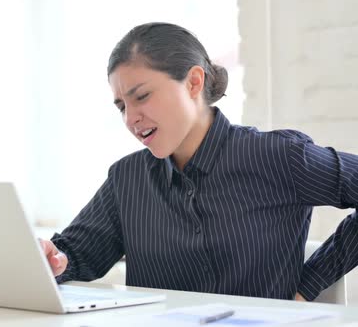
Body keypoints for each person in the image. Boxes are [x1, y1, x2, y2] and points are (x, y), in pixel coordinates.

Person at [39, 22, 358, 301]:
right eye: (121, 106)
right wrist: (54, 258)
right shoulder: (127, 177)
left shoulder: (277, 157)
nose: (131, 118)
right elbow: (76, 255)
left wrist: (311, 282)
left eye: (142, 96)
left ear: (194, 82)